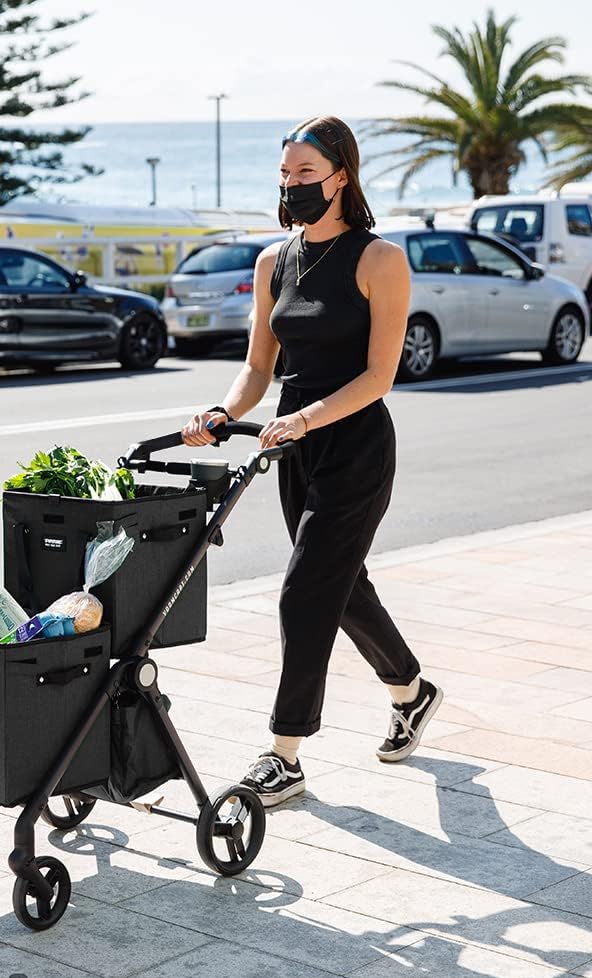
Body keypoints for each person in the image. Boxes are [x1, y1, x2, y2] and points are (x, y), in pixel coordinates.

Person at [182, 116, 443, 807]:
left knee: (304, 589)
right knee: (339, 582)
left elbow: (380, 376)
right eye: (284, 174)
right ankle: (411, 691)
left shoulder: (380, 260)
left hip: (355, 444)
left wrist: (304, 417)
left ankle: (285, 754)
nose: (292, 185)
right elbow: (256, 368)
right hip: (292, 446)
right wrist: (221, 413)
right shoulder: (274, 261)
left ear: (341, 177)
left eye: (306, 173)